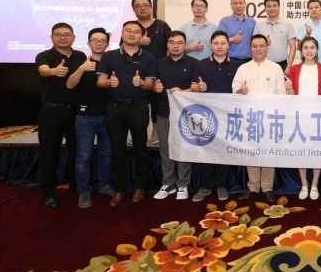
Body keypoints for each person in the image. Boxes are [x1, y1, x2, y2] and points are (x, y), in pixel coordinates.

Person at [96, 21, 156, 207]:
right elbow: (100, 82)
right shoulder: (109, 56)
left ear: (141, 36)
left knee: (140, 149)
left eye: (136, 32)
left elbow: (150, 85)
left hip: (138, 107)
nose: (132, 34)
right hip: (115, 107)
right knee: (117, 150)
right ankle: (119, 189)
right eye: (128, 31)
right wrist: (108, 83)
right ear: (121, 34)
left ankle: (139, 187)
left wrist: (142, 83)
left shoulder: (148, 57)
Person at [232, 34, 288, 203]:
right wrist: (240, 91)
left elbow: (282, 95)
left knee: (269, 152)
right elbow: (234, 89)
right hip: (250, 117)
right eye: (255, 46)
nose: (258, 49)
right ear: (250, 48)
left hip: (270, 118)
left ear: (267, 48)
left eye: (261, 46)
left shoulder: (275, 68)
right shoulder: (243, 68)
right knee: (252, 152)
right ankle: (253, 186)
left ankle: (267, 187)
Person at [35, 23, 87, 208]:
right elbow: (43, 70)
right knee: (49, 153)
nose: (63, 37)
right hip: (52, 112)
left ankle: (76, 185)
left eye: (67, 34)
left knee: (77, 151)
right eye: (58, 34)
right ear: (52, 38)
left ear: (74, 37)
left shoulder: (80, 57)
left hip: (75, 111)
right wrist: (54, 71)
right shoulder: (44, 56)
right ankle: (49, 193)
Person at [66, 28, 114, 208]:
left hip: (108, 116)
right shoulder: (80, 63)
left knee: (106, 154)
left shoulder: (112, 63)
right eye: (95, 40)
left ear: (107, 44)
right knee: (84, 156)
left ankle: (105, 185)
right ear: (88, 43)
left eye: (102, 40)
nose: (98, 43)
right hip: (85, 117)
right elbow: (69, 85)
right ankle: (84, 191)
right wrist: (81, 69)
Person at [190, 30, 241, 202]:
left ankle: (221, 186)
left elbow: (239, 89)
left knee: (223, 151)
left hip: (227, 115)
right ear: (211, 45)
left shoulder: (236, 66)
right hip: (205, 115)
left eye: (223, 43)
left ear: (228, 45)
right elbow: (193, 86)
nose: (219, 46)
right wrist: (199, 88)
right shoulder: (202, 64)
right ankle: (204, 187)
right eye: (216, 43)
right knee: (205, 151)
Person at [152, 31, 198, 201]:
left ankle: (183, 184)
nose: (175, 46)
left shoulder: (194, 63)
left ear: (185, 45)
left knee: (183, 149)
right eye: (172, 42)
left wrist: (183, 91)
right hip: (164, 113)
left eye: (179, 43)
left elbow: (196, 88)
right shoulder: (159, 63)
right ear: (167, 45)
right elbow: (152, 85)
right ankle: (168, 183)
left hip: (185, 115)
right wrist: (154, 88)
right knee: (165, 149)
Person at [287, 36, 321, 200]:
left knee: (317, 150)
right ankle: (304, 184)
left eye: (312, 47)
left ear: (317, 50)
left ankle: (315, 184)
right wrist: (289, 88)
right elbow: (291, 96)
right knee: (302, 150)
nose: (309, 51)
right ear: (301, 50)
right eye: (305, 48)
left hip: (318, 115)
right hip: (300, 115)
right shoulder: (294, 69)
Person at [131, 0, 172, 144]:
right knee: (135, 102)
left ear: (151, 7)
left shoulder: (162, 25)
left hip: (157, 70)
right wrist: (138, 42)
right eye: (138, 6)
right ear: (133, 9)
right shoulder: (131, 27)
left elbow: (170, 45)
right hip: (135, 70)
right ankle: (134, 133)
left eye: (145, 5)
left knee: (157, 102)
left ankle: (155, 133)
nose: (142, 8)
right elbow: (123, 46)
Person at [254, 0, 296, 75]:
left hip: (282, 65)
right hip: (263, 65)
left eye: (274, 6)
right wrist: (264, 43)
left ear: (279, 7)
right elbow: (254, 46)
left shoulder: (288, 25)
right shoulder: (259, 26)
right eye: (269, 6)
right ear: (265, 8)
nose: (272, 8)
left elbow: (293, 47)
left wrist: (289, 66)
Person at [218, 0, 256, 64]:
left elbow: (255, 41)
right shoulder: (224, 21)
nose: (238, 6)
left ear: (245, 4)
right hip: (230, 61)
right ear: (231, 5)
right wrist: (232, 40)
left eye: (240, 3)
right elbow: (219, 41)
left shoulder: (252, 22)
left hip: (249, 61)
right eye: (235, 3)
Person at [296, 0, 321, 69]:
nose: (314, 10)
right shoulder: (303, 25)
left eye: (316, 7)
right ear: (308, 10)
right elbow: (299, 47)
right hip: (307, 66)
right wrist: (307, 34)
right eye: (311, 8)